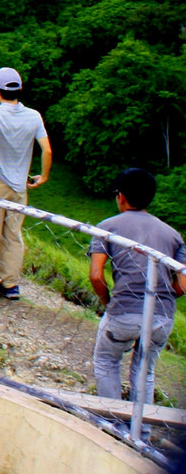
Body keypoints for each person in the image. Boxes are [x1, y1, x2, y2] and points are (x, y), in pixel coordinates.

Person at [89, 167, 185, 404]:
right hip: (161, 316)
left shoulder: (107, 226)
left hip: (124, 309)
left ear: (120, 196)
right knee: (145, 371)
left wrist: (108, 301)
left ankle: (111, 421)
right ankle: (140, 432)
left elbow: (95, 275)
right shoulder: (173, 234)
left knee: (106, 361)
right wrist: (163, 296)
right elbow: (183, 284)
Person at [0, 67, 52, 301]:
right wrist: (44, 175)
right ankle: (11, 284)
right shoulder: (34, 116)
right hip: (20, 185)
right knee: (13, 234)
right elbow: (47, 149)